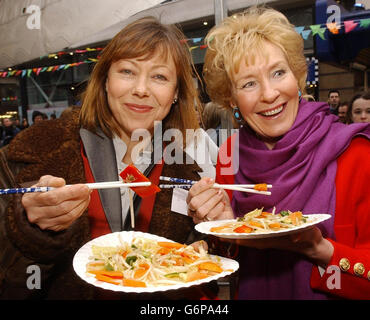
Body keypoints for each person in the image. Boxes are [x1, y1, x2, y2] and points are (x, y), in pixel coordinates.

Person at [0, 16, 215, 300]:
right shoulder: (35, 151)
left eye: (159, 77)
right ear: (104, 80)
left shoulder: (186, 169)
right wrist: (28, 227)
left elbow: (193, 270)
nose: (141, 89)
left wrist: (214, 232)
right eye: (127, 71)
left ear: (175, 93)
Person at [186, 6, 370, 300]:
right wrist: (220, 227)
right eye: (249, 83)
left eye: (278, 73)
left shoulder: (356, 152)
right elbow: (230, 261)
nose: (269, 94)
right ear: (231, 98)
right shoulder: (229, 154)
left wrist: (321, 250)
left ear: (297, 77)